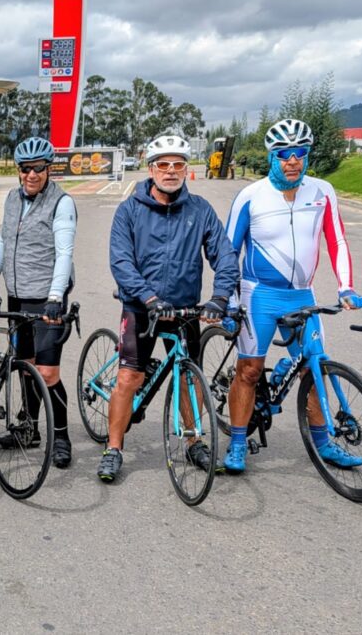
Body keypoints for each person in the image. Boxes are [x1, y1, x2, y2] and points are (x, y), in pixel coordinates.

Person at [221, 118, 362, 474]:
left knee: (314, 367)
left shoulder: (322, 191)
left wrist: (346, 287)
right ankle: (237, 443)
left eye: (300, 153)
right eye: (284, 154)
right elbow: (228, 252)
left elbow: (337, 240)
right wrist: (228, 300)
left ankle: (324, 443)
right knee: (249, 370)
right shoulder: (251, 196)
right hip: (258, 295)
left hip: (302, 295)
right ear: (272, 157)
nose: (293, 161)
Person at [100, 135, 239, 482]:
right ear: (151, 169)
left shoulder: (200, 210)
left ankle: (193, 440)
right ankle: (113, 448)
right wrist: (149, 298)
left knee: (190, 378)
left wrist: (220, 297)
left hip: (183, 309)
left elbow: (225, 255)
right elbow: (121, 262)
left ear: (186, 169)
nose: (171, 171)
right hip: (141, 308)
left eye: (178, 164)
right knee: (129, 377)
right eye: (163, 164)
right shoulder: (129, 210)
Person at [0, 136, 76, 467]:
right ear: (18, 170)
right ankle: (29, 429)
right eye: (25, 169)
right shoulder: (12, 198)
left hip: (47, 300)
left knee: (47, 372)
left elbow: (64, 254)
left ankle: (60, 437)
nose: (31, 174)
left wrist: (55, 297)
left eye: (38, 168)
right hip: (17, 296)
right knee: (26, 367)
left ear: (49, 169)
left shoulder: (62, 203)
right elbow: (5, 238)